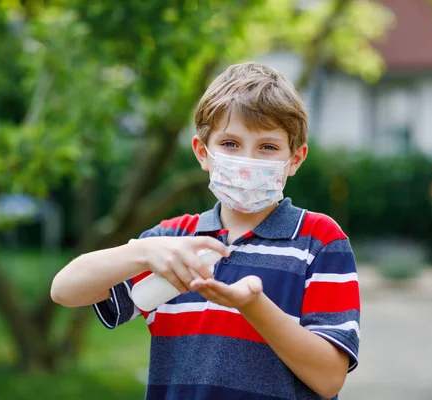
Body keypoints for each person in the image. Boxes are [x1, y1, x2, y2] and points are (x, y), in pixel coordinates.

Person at [51, 62, 360, 400]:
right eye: (230, 143)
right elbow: (65, 290)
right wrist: (143, 252)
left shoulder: (319, 240)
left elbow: (329, 378)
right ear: (202, 152)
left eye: (267, 147)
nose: (247, 161)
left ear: (295, 159)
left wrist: (253, 306)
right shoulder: (172, 243)